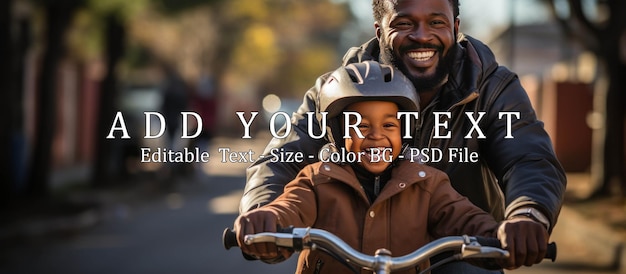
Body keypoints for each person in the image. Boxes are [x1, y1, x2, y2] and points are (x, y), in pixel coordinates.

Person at [241, 0, 566, 272]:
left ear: (455, 26)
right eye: (405, 23)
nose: (422, 36)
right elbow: (283, 155)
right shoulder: (337, 92)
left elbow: (528, 157)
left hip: (463, 250)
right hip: (351, 257)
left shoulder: (492, 87)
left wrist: (527, 215)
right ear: (380, 30)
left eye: (436, 22)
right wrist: (263, 214)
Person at [235, 61, 514, 273]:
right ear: (335, 132)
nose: (376, 135)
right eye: (360, 125)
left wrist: (499, 235)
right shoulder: (317, 180)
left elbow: (464, 217)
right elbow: (290, 207)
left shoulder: (428, 184)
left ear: (404, 131)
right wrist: (268, 218)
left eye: (389, 125)